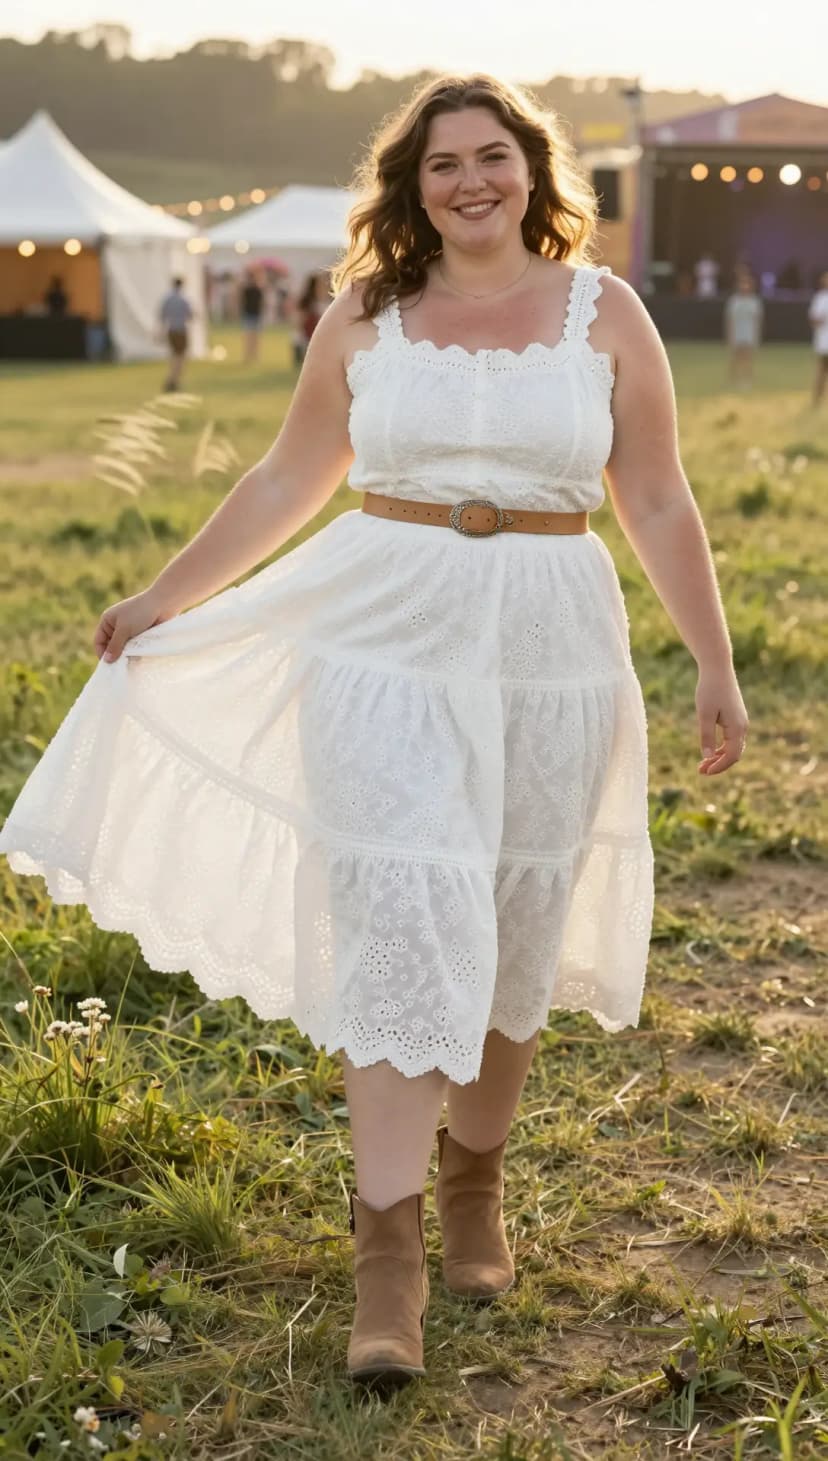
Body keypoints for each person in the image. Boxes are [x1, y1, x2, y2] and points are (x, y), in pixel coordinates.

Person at [0, 75, 749, 1387]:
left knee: (518, 923)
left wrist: (715, 665)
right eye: (444, 162)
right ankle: (386, 1254)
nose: (471, 181)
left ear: (534, 171)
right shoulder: (366, 315)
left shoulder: (607, 312)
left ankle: (476, 1186)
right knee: (402, 912)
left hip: (551, 648)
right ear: (412, 186)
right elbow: (291, 474)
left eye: (494, 157)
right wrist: (166, 595)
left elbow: (656, 496)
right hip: (383, 634)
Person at [724, 270, 764, 388]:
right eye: (742, 283)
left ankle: (747, 380)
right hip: (737, 333)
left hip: (749, 334)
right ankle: (733, 379)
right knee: (734, 357)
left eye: (747, 284)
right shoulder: (734, 301)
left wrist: (757, 335)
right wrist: (730, 335)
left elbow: (758, 320)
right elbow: (729, 319)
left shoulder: (755, 302)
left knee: (748, 357)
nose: (744, 286)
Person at [158, 277, 193, 392]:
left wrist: (161, 331)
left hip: (171, 330)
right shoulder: (184, 299)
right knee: (181, 356)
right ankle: (174, 379)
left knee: (173, 355)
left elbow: (162, 316)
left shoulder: (167, 299)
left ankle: (172, 378)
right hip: (181, 330)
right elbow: (190, 316)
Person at [291, 271, 332, 366]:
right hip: (308, 336)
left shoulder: (330, 303)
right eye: (320, 285)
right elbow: (299, 320)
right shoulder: (307, 303)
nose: (323, 288)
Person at [808, 269, 828, 406]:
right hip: (824, 342)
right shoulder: (820, 298)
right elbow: (813, 320)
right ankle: (817, 399)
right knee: (821, 370)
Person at [239, 269, 265, 362]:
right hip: (249, 314)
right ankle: (249, 354)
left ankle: (254, 354)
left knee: (255, 336)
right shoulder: (248, 289)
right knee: (249, 336)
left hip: (255, 314)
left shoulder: (258, 289)